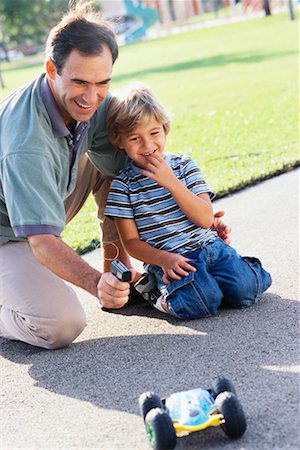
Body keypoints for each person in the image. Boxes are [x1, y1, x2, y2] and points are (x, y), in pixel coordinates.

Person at [0, 2, 230, 350]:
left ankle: (119, 272)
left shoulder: (92, 104)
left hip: (39, 208)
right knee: (61, 324)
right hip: (8, 236)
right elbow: (42, 242)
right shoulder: (27, 142)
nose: (91, 97)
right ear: (51, 69)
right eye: (79, 82)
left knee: (120, 163)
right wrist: (96, 284)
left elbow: (138, 168)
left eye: (102, 82)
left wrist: (192, 223)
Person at [105, 83, 272, 319]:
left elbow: (205, 219)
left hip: (210, 248)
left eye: (154, 133)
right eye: (135, 138)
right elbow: (131, 242)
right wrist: (164, 259)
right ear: (119, 141)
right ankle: (155, 292)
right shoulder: (123, 186)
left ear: (164, 129)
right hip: (171, 260)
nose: (148, 145)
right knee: (201, 304)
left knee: (247, 292)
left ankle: (225, 275)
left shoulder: (184, 166)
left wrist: (171, 182)